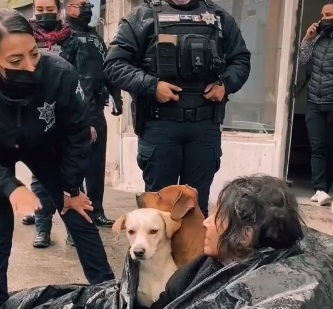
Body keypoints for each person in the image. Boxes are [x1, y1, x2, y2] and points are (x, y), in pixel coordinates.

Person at [0, 9, 114, 306]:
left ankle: (111, 291)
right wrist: (12, 188)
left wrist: (71, 189)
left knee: (79, 212)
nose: (30, 66)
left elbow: (77, 134)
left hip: (47, 147)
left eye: (33, 54)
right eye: (15, 61)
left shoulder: (60, 74)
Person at [104, 0, 251, 217]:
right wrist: (151, 86)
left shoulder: (218, 17)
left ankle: (195, 252)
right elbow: (114, 64)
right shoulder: (143, 16)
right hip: (159, 125)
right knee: (158, 209)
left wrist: (226, 84)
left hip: (204, 126)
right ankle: (155, 251)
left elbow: (241, 59)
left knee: (196, 208)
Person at [145, 175, 305, 308]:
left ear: (244, 236)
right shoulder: (203, 266)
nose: (205, 222)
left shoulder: (263, 297)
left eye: (218, 215)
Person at [21, 0, 87, 248]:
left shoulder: (73, 39)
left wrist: (87, 118)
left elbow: (85, 77)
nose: (45, 14)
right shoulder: (25, 38)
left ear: (58, 11)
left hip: (68, 115)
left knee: (73, 179)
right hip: (38, 120)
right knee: (40, 182)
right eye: (41, 10)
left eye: (50, 10)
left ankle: (74, 230)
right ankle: (43, 229)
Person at [64, 0, 117, 227]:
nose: (86, 8)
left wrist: (116, 96)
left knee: (96, 164)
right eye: (79, 4)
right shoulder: (64, 36)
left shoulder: (95, 36)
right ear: (68, 8)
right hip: (75, 111)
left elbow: (108, 69)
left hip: (97, 109)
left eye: (88, 3)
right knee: (77, 164)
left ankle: (97, 210)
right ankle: (78, 216)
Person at [299, 0, 333, 207]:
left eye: (330, 15)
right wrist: (307, 39)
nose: (325, 19)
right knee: (317, 146)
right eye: (323, 15)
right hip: (314, 101)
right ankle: (320, 189)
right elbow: (304, 62)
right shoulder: (317, 39)